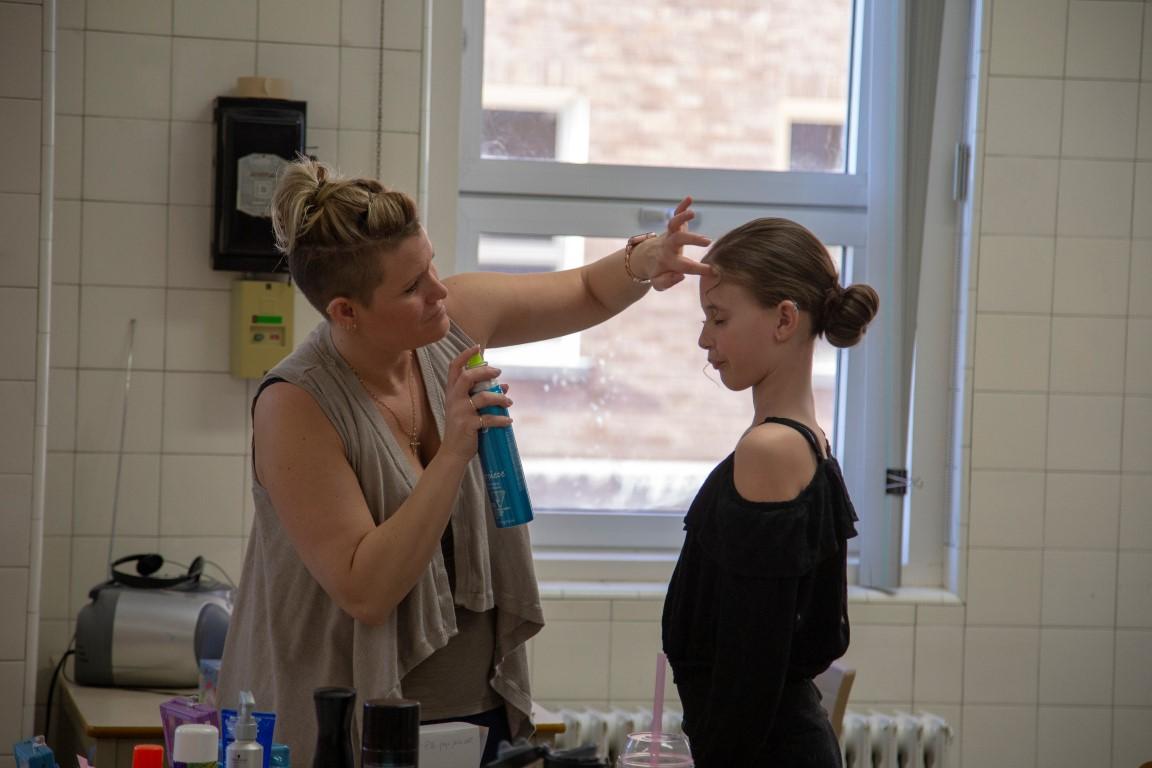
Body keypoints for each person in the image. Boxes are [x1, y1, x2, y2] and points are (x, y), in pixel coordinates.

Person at [217, 157, 712, 765]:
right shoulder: (295, 404)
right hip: (353, 725)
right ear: (346, 311)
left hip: (476, 710)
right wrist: (453, 451)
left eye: (430, 265)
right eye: (412, 287)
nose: (439, 292)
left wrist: (647, 257)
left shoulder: (451, 324)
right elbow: (366, 589)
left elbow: (586, 290)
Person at [660, 218, 879, 767]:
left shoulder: (771, 450)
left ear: (784, 319)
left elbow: (749, 671)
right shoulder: (806, 441)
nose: (705, 339)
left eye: (719, 318)